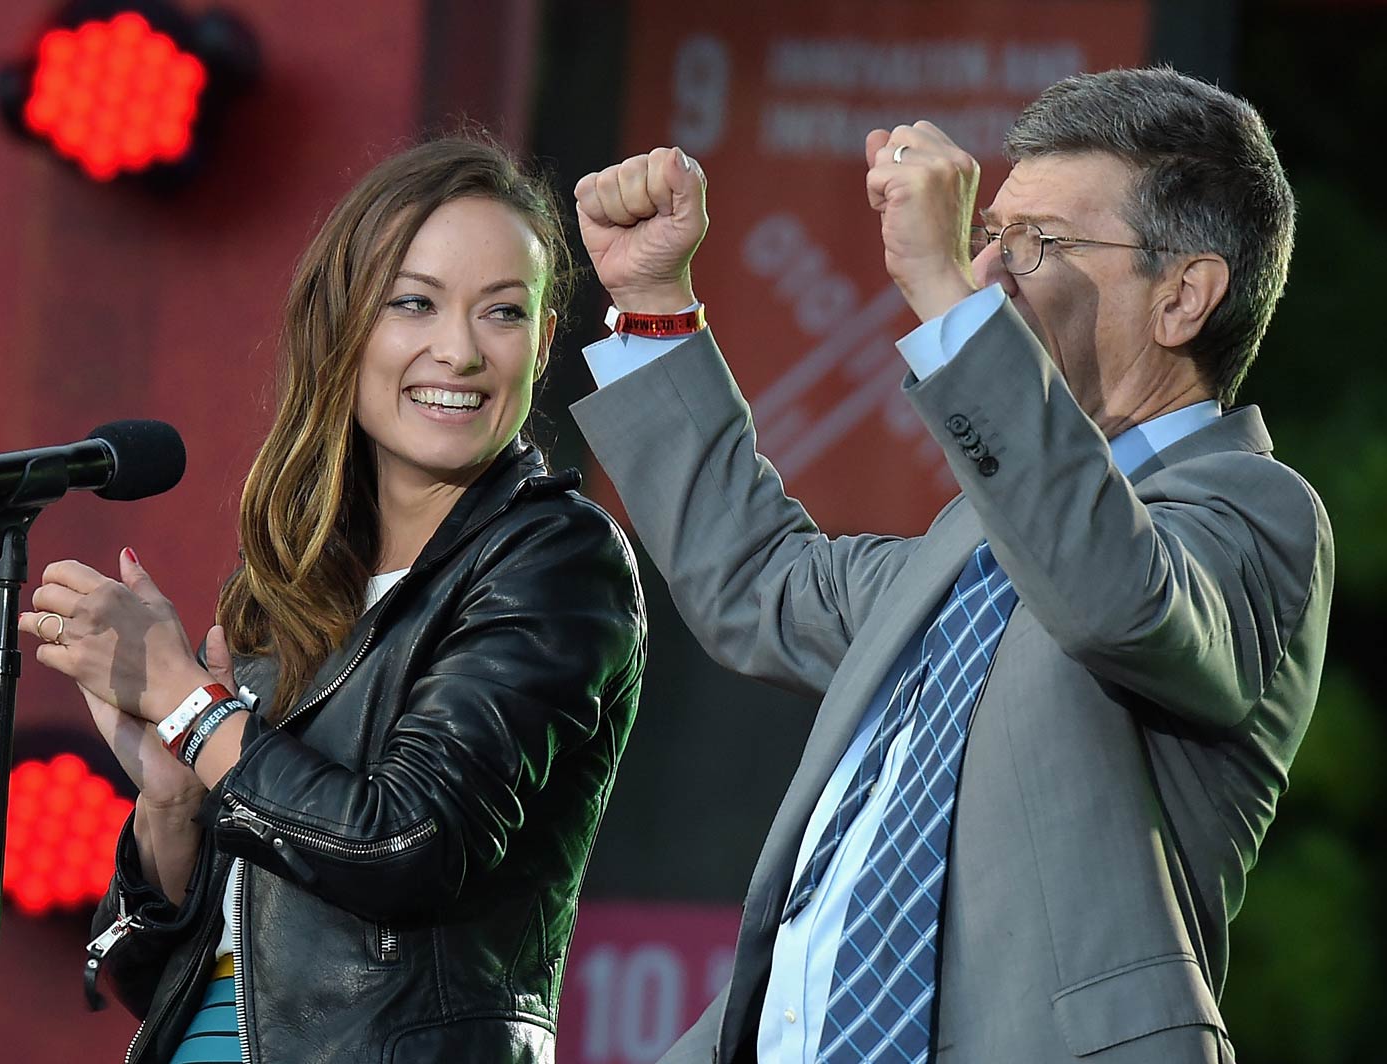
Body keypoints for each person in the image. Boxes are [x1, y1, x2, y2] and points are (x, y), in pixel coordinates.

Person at [570, 67, 1330, 1063]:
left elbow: (1116, 600)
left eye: (1037, 242)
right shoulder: (972, 543)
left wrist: (941, 297)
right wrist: (653, 302)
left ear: (1182, 297)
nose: (992, 270)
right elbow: (758, 580)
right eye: (991, 235)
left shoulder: (1251, 511)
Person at [18, 135, 646, 1063]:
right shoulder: (290, 584)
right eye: (414, 302)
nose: (459, 350)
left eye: (503, 313)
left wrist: (193, 711)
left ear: (544, 340)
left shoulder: (556, 559)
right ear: (344, 325)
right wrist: (171, 802)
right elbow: (157, 981)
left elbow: (406, 843)